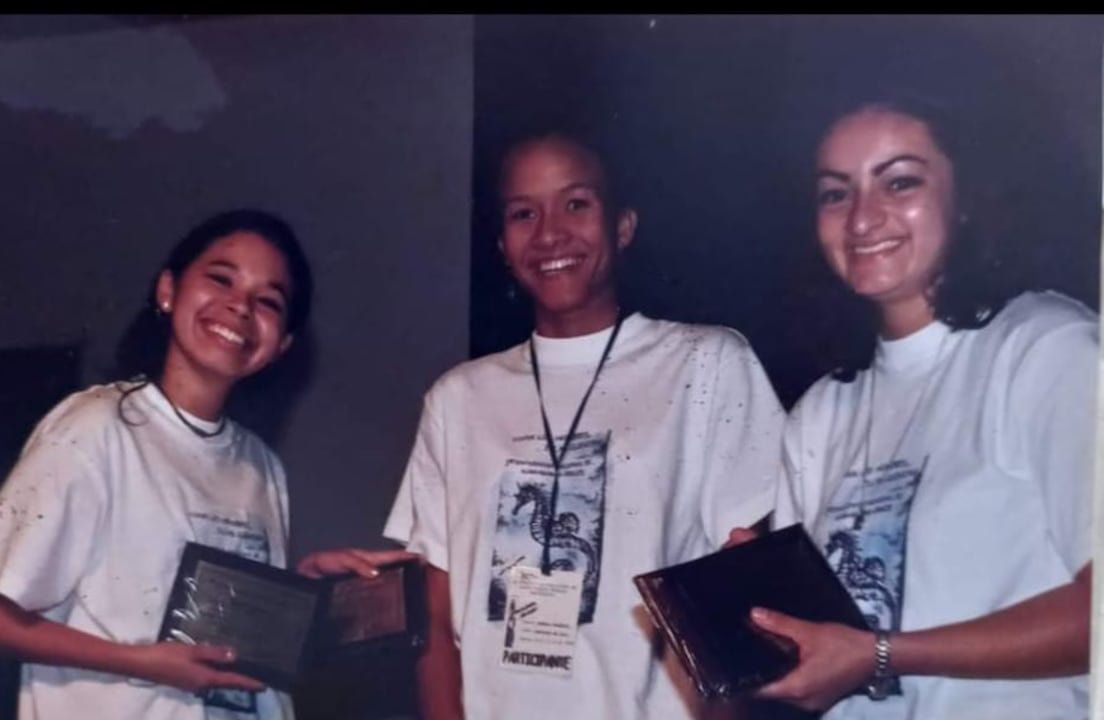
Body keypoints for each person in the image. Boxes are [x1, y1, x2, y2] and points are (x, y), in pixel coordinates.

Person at [379, 130, 785, 719]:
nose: (550, 233)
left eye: (576, 204)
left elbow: (745, 602)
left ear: (622, 226)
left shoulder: (707, 363)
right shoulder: (457, 398)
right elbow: (434, 619)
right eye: (524, 213)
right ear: (501, 243)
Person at [735, 92, 1095, 718]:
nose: (863, 219)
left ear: (964, 202)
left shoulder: (1046, 348)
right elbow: (821, 649)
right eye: (836, 193)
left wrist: (884, 653)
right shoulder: (823, 410)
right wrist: (752, 604)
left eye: (899, 182)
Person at [0, 209, 315, 720]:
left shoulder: (261, 466)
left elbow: (241, 643)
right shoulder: (96, 427)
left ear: (281, 344)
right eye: (221, 279)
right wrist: (145, 663)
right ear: (168, 291)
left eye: (268, 301)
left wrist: (313, 589)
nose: (240, 307)